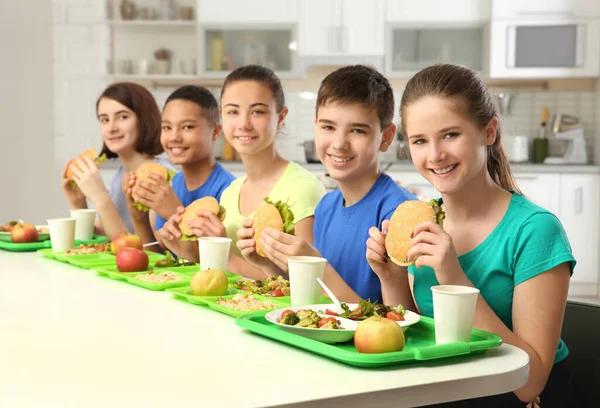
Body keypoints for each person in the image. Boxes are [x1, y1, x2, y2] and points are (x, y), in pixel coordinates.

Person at [366, 64, 583, 407]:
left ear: (489, 131)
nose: (435, 154)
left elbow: (531, 383)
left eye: (450, 134)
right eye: (420, 140)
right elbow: (416, 339)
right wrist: (391, 279)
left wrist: (453, 277)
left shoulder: (535, 231)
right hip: (450, 391)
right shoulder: (424, 218)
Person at [237, 65, 416, 303]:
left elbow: (397, 323)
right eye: (328, 127)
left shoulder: (399, 214)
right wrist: (270, 264)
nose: (339, 143)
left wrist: (314, 266)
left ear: (386, 137)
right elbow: (319, 298)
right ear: (315, 126)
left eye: (357, 131)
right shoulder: (326, 205)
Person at [159, 65, 325, 278]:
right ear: (222, 117)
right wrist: (185, 249)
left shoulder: (302, 188)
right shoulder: (231, 191)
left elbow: (306, 283)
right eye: (233, 112)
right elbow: (227, 277)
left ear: (281, 116)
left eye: (257, 111)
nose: (244, 124)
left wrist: (223, 253)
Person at [126, 85, 235, 254]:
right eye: (167, 127)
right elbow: (159, 256)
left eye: (187, 127)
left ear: (215, 132)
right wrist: (139, 219)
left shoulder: (230, 191)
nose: (174, 137)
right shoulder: (172, 184)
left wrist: (174, 211)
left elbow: (217, 262)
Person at [61, 82, 172, 239]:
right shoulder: (120, 174)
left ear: (145, 119)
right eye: (104, 120)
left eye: (122, 117)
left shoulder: (158, 176)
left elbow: (146, 250)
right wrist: (78, 203)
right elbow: (106, 235)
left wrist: (101, 198)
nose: (111, 128)